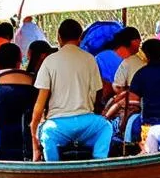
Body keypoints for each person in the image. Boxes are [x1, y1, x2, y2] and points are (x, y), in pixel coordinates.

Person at [31, 18, 113, 161]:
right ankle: (99, 161)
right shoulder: (89, 59)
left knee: (47, 134)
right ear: (80, 38)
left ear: (59, 37)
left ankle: (53, 168)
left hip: (57, 127)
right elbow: (98, 94)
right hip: (86, 123)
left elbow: (39, 104)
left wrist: (34, 131)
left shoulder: (50, 61)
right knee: (105, 127)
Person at [95, 27, 141, 98]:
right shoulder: (130, 60)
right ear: (135, 41)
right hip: (116, 96)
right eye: (139, 42)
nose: (139, 46)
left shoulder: (100, 56)